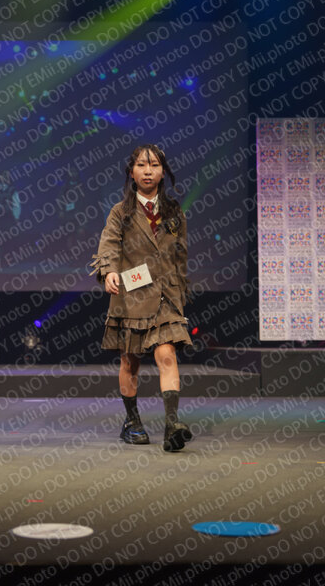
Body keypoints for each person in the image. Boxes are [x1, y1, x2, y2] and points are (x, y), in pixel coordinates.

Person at [91, 144, 193, 452]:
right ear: (132, 172)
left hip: (166, 297)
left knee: (167, 355)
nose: (148, 171)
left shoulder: (174, 212)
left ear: (163, 172)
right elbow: (109, 245)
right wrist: (109, 271)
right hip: (131, 296)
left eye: (154, 166)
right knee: (130, 361)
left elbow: (181, 256)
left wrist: (179, 292)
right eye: (141, 165)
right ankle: (132, 421)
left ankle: (172, 424)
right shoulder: (121, 212)